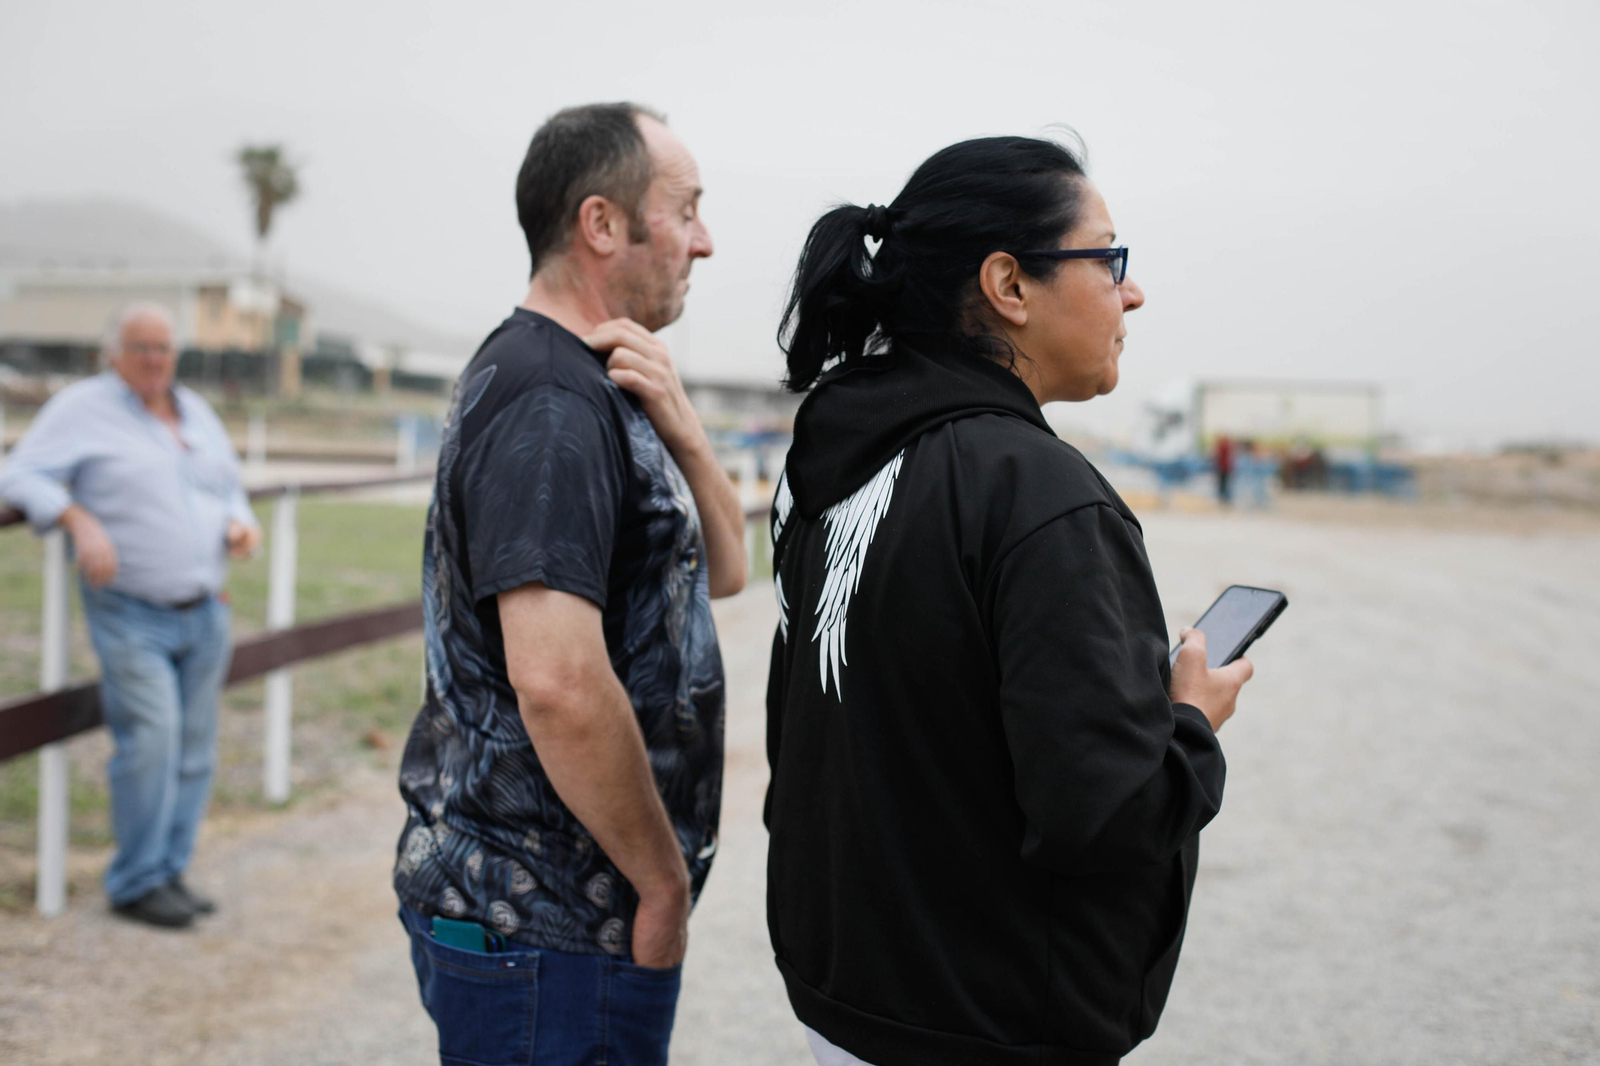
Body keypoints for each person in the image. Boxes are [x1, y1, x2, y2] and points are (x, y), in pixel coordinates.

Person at [764, 136, 1255, 1066]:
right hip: (986, 1021)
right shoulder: (1039, 493)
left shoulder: (828, 454)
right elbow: (1103, 815)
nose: (1132, 293)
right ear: (1009, 286)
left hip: (848, 999)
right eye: (1109, 260)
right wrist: (1189, 719)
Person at [392, 102, 745, 1066]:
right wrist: (663, 885)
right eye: (686, 210)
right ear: (601, 224)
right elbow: (557, 681)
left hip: (557, 926)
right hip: (547, 932)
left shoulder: (599, 380)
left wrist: (684, 428)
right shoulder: (549, 400)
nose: (704, 243)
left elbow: (728, 569)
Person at [0, 302, 260, 929]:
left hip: (205, 608)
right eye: (141, 347)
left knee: (195, 747)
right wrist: (76, 518)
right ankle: (136, 880)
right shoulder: (80, 409)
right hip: (131, 609)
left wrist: (240, 522)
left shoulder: (194, 409)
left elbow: (228, 485)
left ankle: (170, 868)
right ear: (111, 353)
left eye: (164, 348)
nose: (155, 360)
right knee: (152, 740)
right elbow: (18, 474)